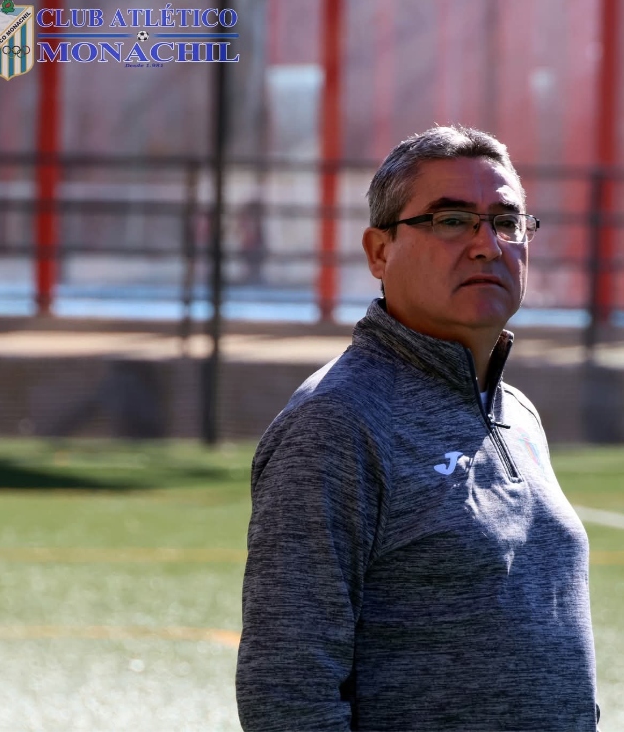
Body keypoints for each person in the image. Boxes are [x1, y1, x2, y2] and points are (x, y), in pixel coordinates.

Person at [236, 125, 599, 731]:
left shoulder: (517, 413)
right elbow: (287, 688)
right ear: (379, 252)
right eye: (451, 220)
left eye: (506, 221)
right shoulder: (337, 421)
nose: (487, 245)